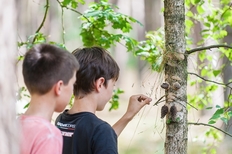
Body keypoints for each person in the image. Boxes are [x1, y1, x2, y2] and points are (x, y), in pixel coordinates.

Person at [55, 46, 152, 154]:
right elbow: (102, 138)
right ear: (100, 84)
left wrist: (128, 115)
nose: (112, 91)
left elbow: (100, 140)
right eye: (113, 85)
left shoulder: (61, 121)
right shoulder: (100, 130)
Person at [18, 43, 79, 154]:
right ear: (59, 87)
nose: (72, 91)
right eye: (73, 84)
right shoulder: (49, 135)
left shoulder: (12, 126)